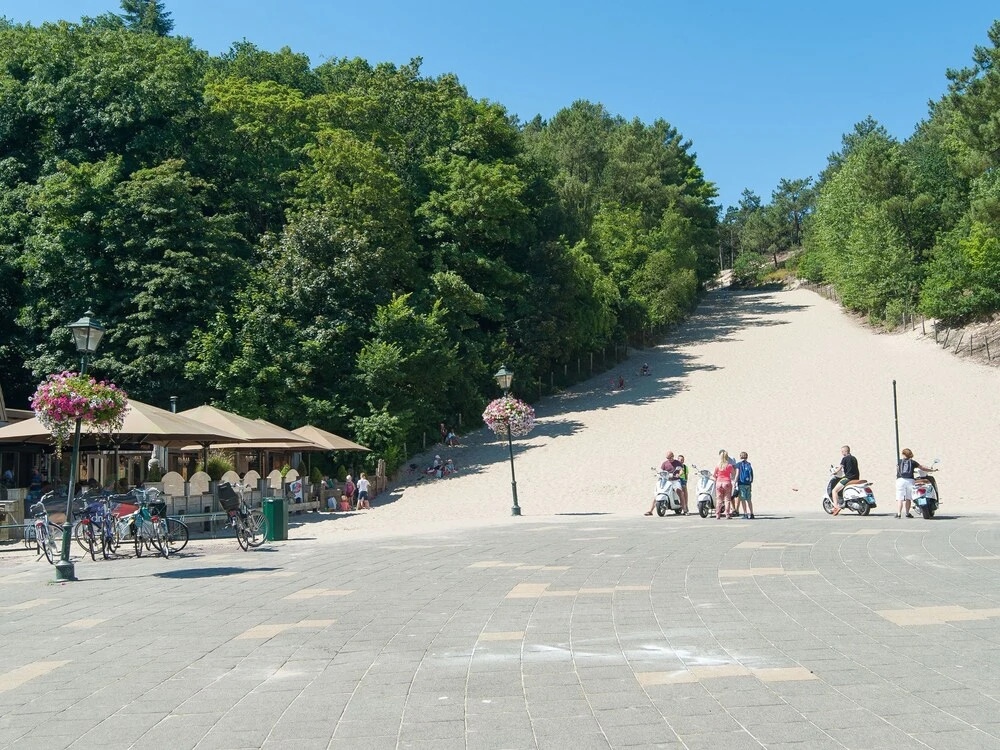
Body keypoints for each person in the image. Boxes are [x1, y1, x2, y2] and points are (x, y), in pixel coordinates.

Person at [895, 448, 934, 519]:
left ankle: (899, 514)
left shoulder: (899, 461)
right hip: (910, 480)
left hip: (900, 480)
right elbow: (922, 468)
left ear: (903, 454)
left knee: (900, 498)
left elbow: (898, 469)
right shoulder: (913, 462)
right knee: (908, 498)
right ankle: (907, 513)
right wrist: (931, 470)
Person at [646, 451, 679, 515]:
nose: (669, 459)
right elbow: (661, 472)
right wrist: (659, 475)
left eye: (670, 458)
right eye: (667, 458)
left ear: (673, 456)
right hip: (665, 480)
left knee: (679, 491)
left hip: (674, 480)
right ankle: (651, 510)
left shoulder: (676, 463)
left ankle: (684, 508)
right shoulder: (664, 463)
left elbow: (681, 470)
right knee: (657, 494)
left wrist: (677, 474)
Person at [831, 445, 859, 516]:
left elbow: (840, 468)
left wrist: (834, 472)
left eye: (842, 451)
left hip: (848, 478)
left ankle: (836, 507)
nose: (842, 453)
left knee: (834, 491)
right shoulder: (854, 458)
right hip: (856, 478)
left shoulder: (845, 458)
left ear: (845, 451)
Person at [713, 450, 737, 519]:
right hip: (726, 482)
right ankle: (727, 514)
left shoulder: (718, 466)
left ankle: (717, 514)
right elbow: (733, 473)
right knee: (727, 499)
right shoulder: (729, 465)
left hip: (719, 482)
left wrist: (717, 477)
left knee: (719, 500)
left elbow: (714, 475)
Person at [735, 452, 755, 519]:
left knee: (743, 499)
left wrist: (735, 482)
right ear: (747, 457)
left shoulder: (739, 464)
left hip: (741, 483)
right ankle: (752, 513)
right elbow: (752, 475)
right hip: (748, 484)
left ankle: (745, 513)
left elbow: (737, 474)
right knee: (749, 499)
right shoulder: (749, 464)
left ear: (740, 457)